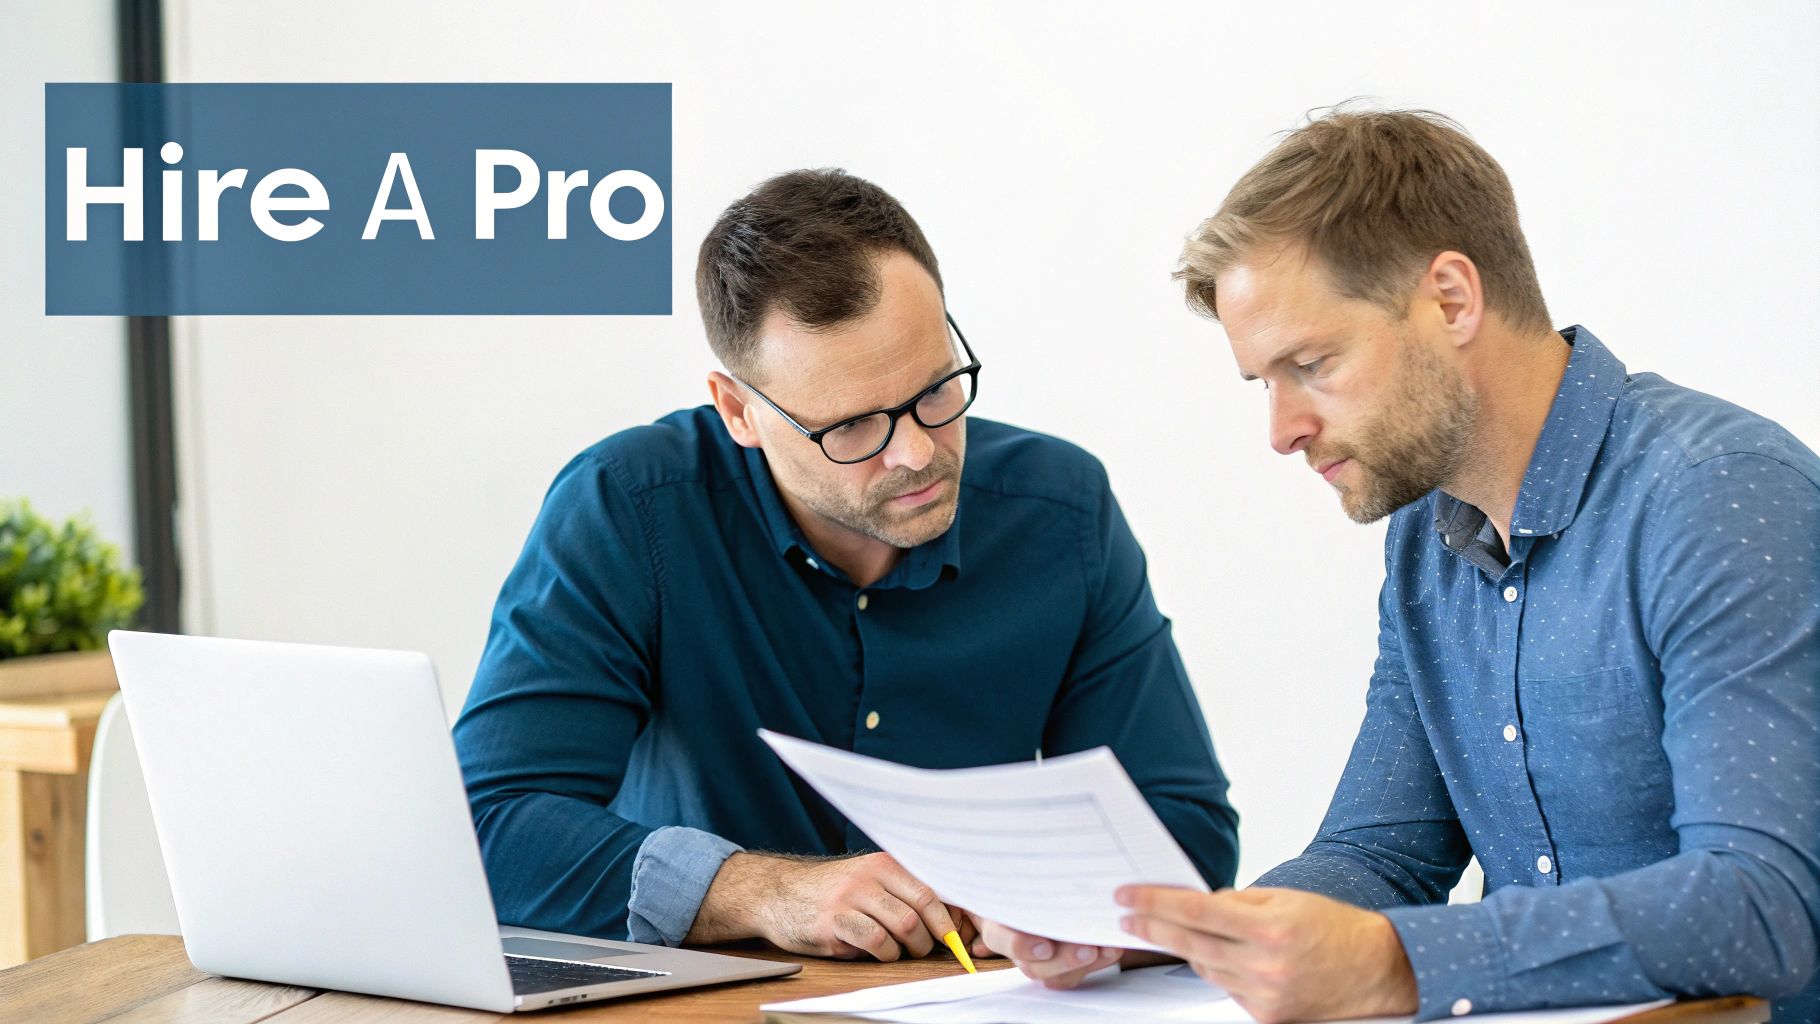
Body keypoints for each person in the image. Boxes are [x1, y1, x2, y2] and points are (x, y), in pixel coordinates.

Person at [983, 108, 1819, 1022]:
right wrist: (1178, 934)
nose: (1282, 430)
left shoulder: (1721, 497)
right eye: (1266, 381)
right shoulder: (1428, 535)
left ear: (1452, 299)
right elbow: (1379, 858)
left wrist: (1398, 963)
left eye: (1311, 363)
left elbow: (1763, 906)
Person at [453, 168, 1239, 964]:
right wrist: (762, 891)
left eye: (936, 390)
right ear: (740, 412)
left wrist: (1028, 903)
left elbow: (1186, 835)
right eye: (853, 426)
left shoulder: (1061, 509)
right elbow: (485, 827)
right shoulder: (632, 505)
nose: (918, 451)